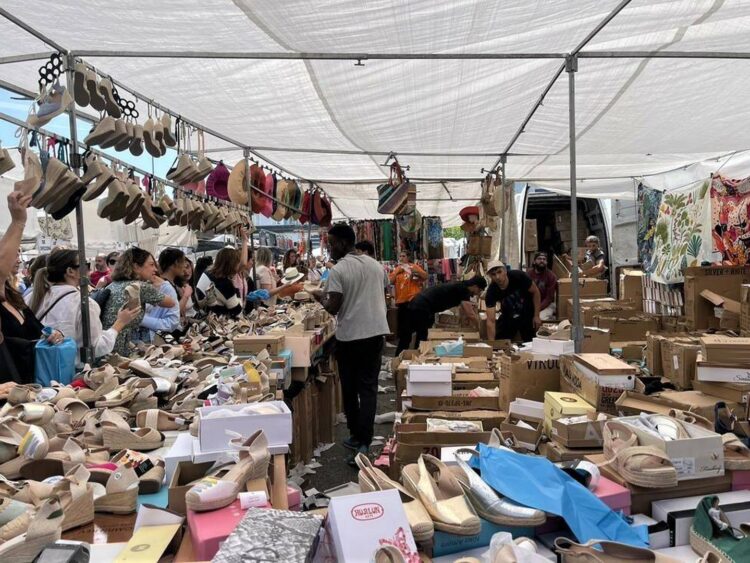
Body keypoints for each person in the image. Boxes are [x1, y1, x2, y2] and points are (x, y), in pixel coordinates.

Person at [312, 224, 390, 466]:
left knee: (350, 389)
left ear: (345, 243)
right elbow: (383, 291)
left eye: (332, 243)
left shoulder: (339, 270)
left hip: (351, 336)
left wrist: (319, 296)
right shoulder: (376, 265)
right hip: (376, 333)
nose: (329, 248)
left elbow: (333, 306)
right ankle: (365, 440)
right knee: (368, 388)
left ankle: (358, 436)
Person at [26, 248, 140, 362]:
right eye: (85, 265)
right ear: (70, 271)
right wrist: (120, 323)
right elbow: (97, 348)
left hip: (37, 369)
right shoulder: (84, 303)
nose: (88, 269)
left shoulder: (31, 298)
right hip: (68, 372)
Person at [0, 192, 61, 382]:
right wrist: (18, 222)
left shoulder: (14, 296)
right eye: (13, 252)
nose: (17, 258)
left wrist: (53, 335)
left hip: (32, 380)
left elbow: (38, 330)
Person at [101, 247, 176, 356]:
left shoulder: (113, 285)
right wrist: (159, 282)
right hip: (118, 352)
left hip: (106, 347)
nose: (155, 269)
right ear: (136, 267)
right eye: (151, 265)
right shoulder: (139, 286)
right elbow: (171, 302)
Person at [407, 276, 486, 349]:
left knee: (420, 333)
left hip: (420, 303)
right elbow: (470, 314)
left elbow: (466, 310)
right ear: (475, 286)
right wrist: (480, 330)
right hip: (422, 305)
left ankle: (415, 352)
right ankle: (417, 356)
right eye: (479, 290)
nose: (477, 293)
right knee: (422, 335)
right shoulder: (464, 290)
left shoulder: (461, 286)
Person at [486, 261, 542, 343]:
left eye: (499, 272)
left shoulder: (519, 276)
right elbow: (490, 320)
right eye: (493, 274)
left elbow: (535, 292)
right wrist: (491, 344)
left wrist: (536, 316)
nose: (497, 277)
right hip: (508, 315)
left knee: (531, 342)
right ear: (490, 276)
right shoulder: (492, 291)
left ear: (505, 271)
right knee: (501, 342)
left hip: (526, 312)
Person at [139, 248, 184, 340]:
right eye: (151, 265)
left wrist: (139, 319)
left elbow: (172, 319)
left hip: (152, 340)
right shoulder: (154, 285)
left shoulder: (165, 286)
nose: (155, 269)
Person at [390, 250, 428, 355]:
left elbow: (425, 276)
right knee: (404, 332)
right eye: (400, 256)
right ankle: (400, 355)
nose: (401, 258)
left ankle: (418, 352)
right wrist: (398, 271)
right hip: (402, 303)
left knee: (419, 329)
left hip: (414, 301)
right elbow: (390, 281)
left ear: (408, 258)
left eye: (403, 256)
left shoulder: (414, 266)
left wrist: (416, 272)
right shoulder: (397, 269)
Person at [196, 247, 243, 318]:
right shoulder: (224, 284)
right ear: (232, 264)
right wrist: (236, 290)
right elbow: (237, 310)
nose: (239, 265)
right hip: (219, 321)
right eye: (237, 263)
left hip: (204, 316)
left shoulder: (207, 272)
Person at [526, 252, 558, 321]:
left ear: (546, 262)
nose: (542, 261)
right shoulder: (528, 274)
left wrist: (536, 309)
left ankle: (552, 318)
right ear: (534, 262)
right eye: (539, 259)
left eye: (544, 259)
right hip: (531, 304)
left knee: (539, 319)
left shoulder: (551, 276)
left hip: (547, 305)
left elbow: (549, 298)